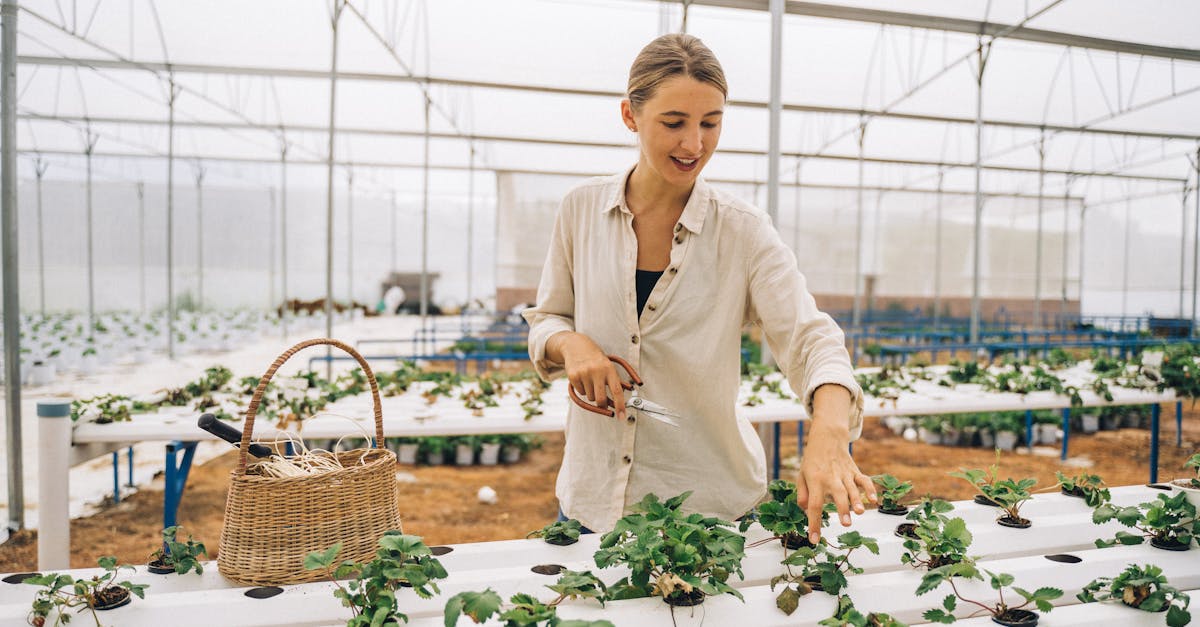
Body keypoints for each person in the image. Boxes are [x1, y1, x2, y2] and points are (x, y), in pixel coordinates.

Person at [523, 33, 873, 543]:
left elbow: (811, 337)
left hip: (709, 512)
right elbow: (548, 318)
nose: (694, 145)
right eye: (674, 123)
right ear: (630, 115)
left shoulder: (743, 231)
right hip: (591, 503)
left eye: (711, 123)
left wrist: (830, 430)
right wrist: (571, 344)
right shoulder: (581, 210)